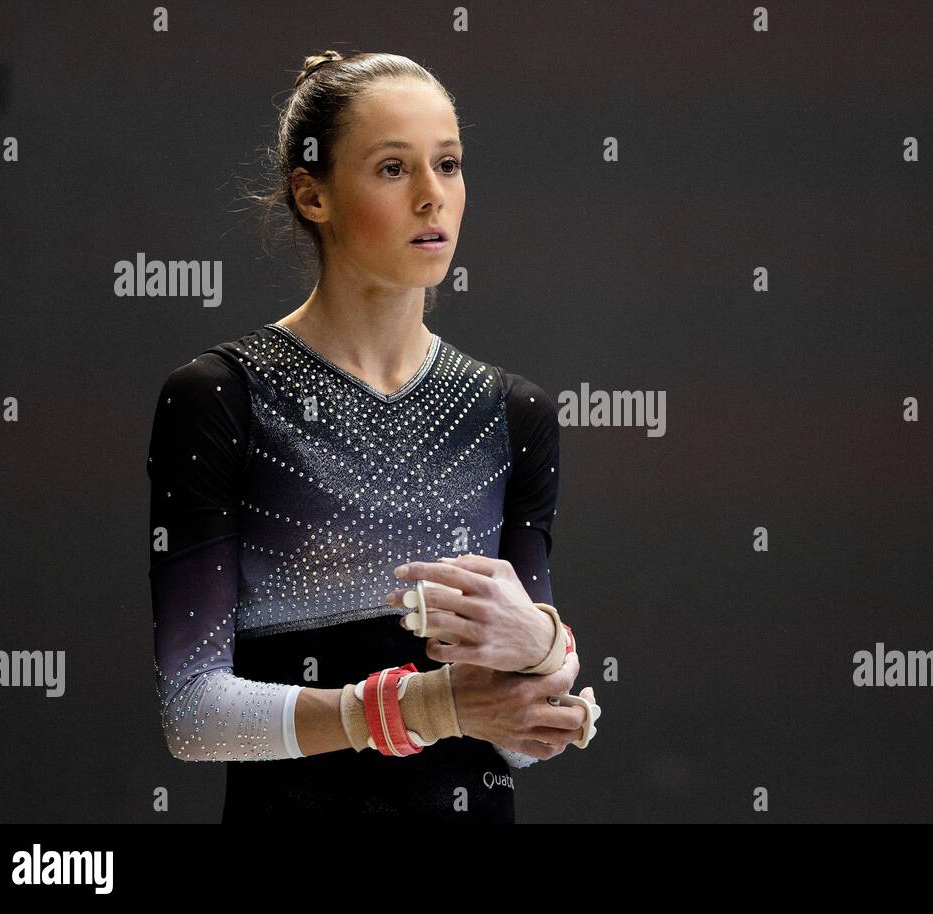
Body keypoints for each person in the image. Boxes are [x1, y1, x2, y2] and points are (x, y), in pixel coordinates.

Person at [146, 50, 598, 822]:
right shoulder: (223, 398)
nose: (434, 198)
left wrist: (542, 651)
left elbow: (522, 741)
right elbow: (193, 714)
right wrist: (426, 707)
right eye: (394, 169)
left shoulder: (512, 413)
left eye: (448, 165)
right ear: (311, 194)